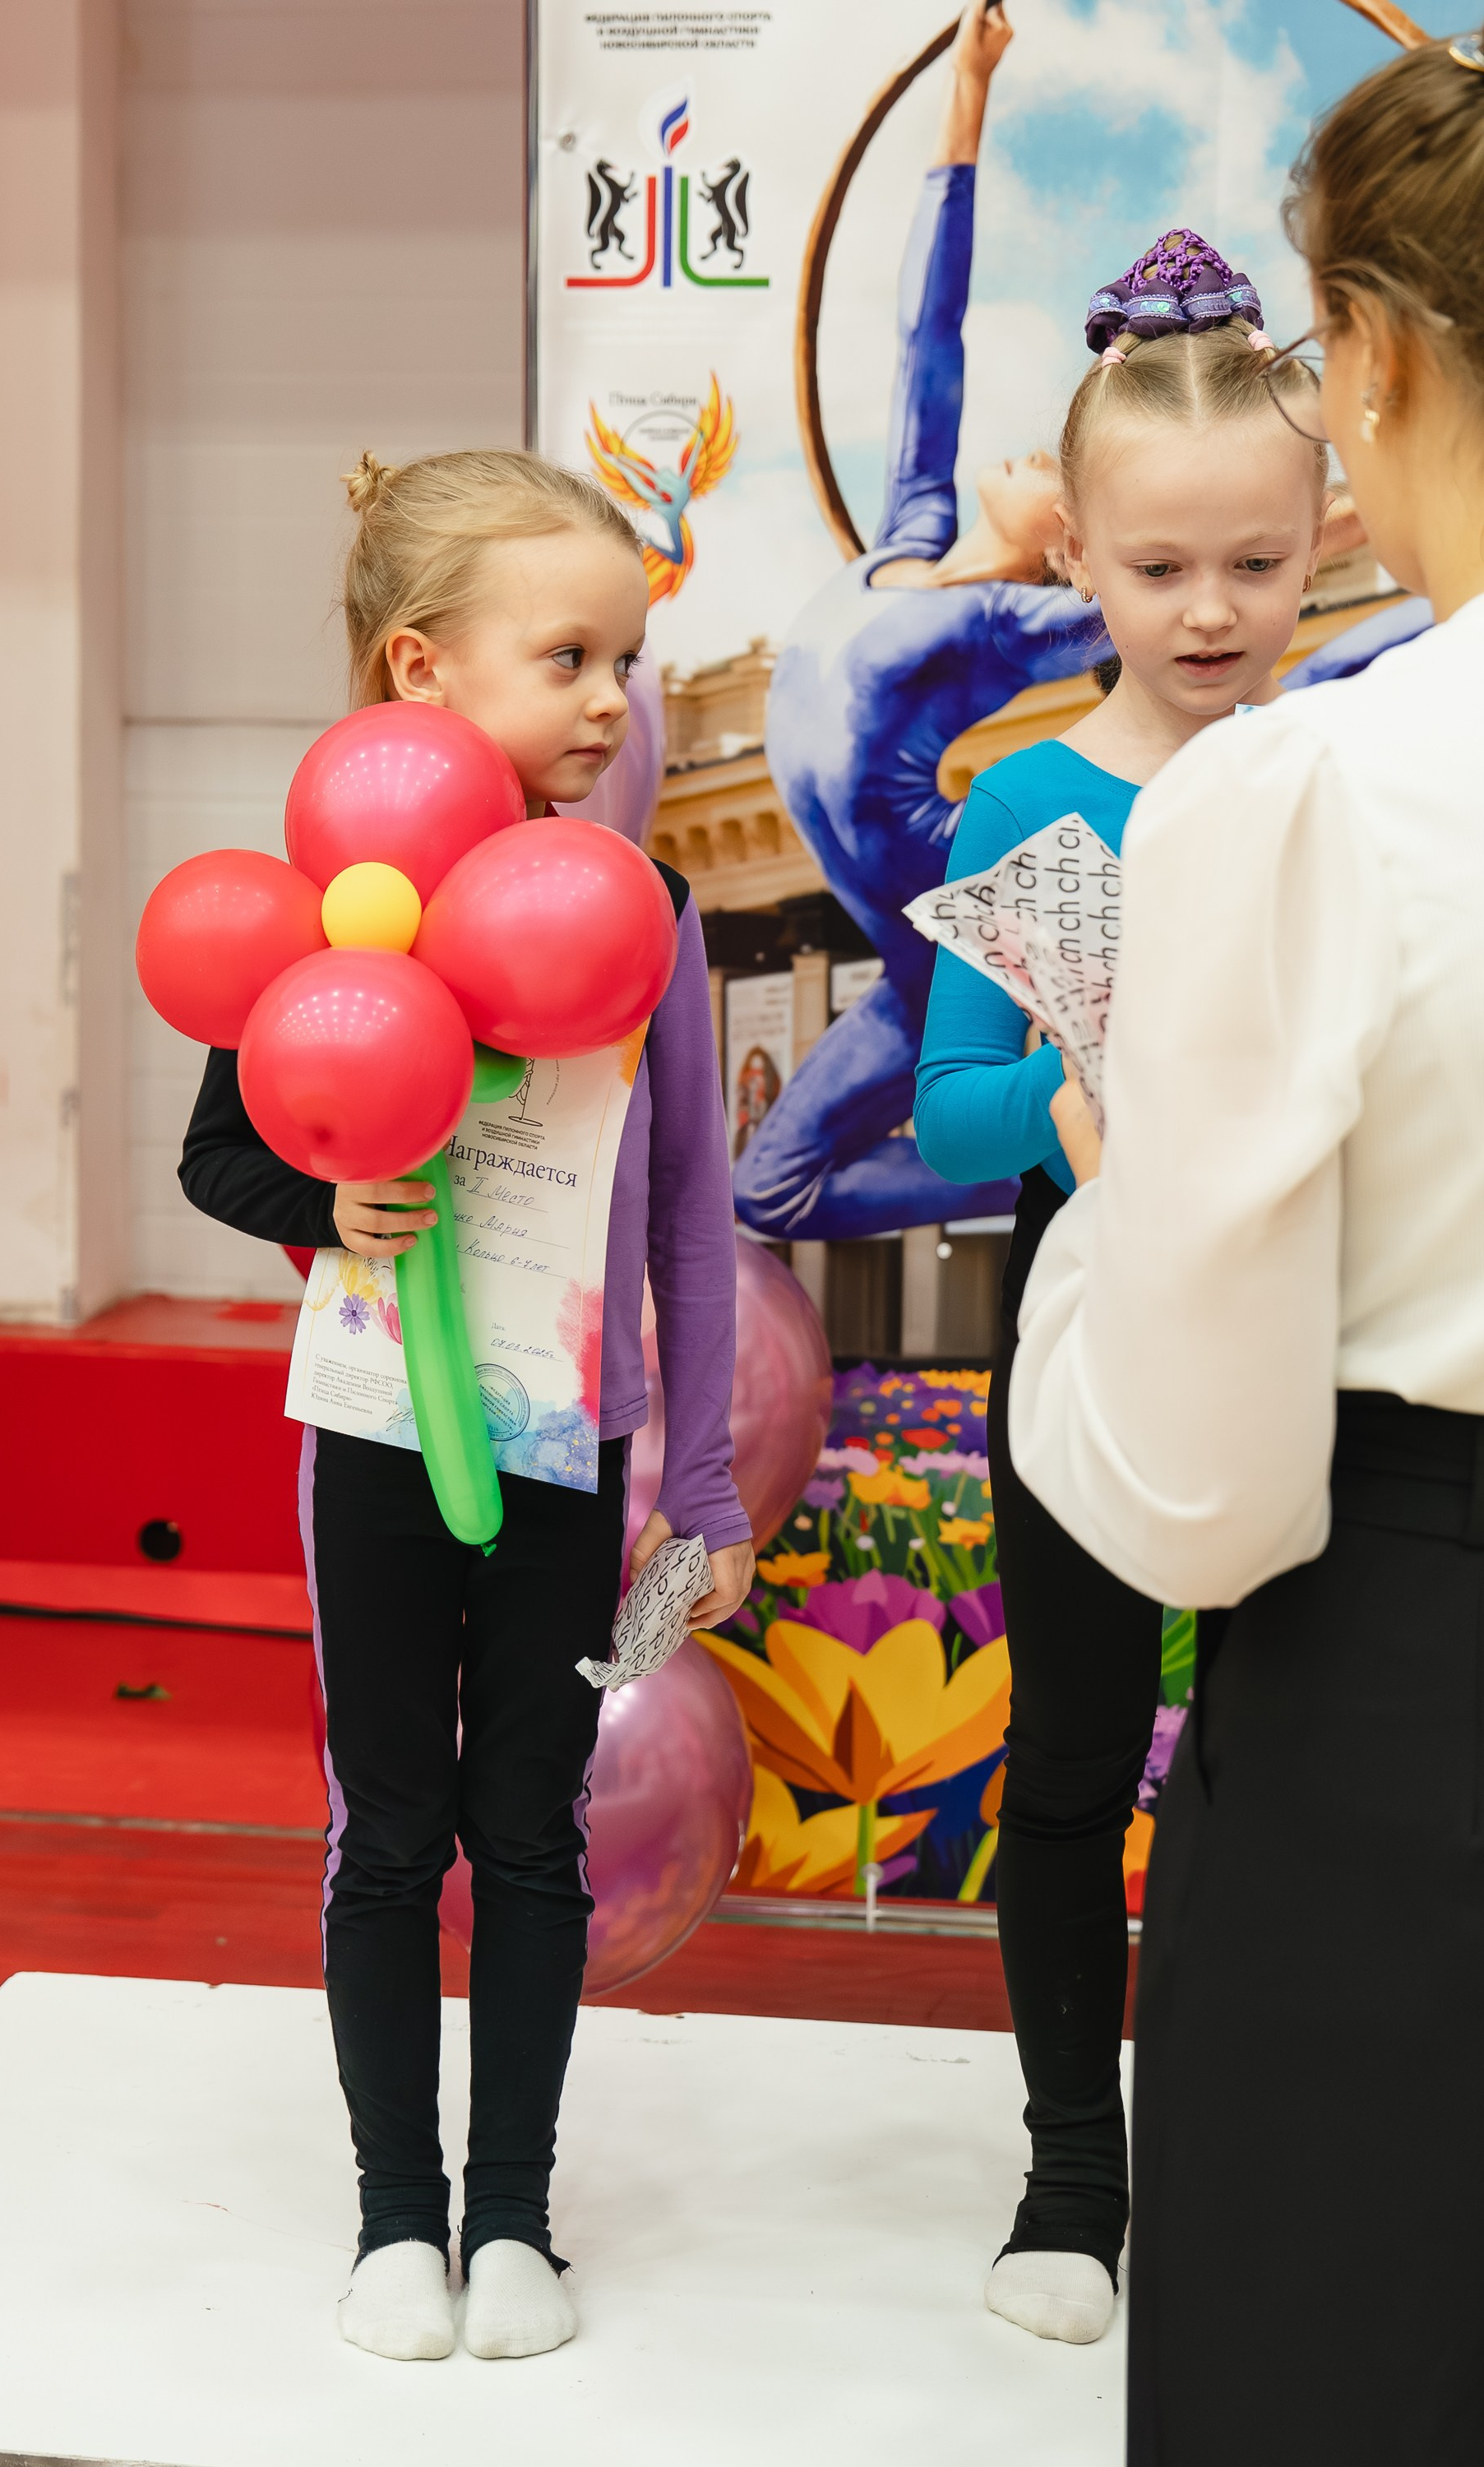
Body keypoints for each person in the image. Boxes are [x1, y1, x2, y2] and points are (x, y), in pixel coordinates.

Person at [1005, 33, 1484, 2460]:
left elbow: (1199, 1495)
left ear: (1367, 362)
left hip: (1402, 1700)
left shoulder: (1316, 791)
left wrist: (1110, 1194)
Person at [178, 449, 754, 2364]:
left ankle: (511, 2214)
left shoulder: (644, 909)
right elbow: (220, 1152)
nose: (610, 700)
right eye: (568, 657)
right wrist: (327, 1195)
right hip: (372, 1435)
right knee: (388, 1827)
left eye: (626, 661)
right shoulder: (328, 914)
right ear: (423, 669)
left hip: (567, 1446)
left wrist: (702, 1481)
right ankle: (392, 2219)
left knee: (530, 1829)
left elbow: (687, 1212)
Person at [912, 230, 1332, 2347]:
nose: (1209, 612)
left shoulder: (1338, 777)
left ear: (1323, 538)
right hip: (1081, 1344)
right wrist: (1069, 1113)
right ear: (1075, 555)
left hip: (1309, 1340)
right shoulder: (1028, 797)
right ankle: (1075, 2174)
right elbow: (946, 1113)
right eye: (1160, 568)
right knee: (1073, 1761)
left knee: (1288, 1767)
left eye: (1255, 564)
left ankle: (1268, 2158)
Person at [736, 0, 1108, 1244]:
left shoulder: (1016, 623)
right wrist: (968, 95)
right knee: (763, 1187)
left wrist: (1336, 522)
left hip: (946, 921)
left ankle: (1095, 1149)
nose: (1033, 450)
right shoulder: (909, 529)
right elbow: (926, 333)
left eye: (1061, 467)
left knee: (776, 1186)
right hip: (906, 956)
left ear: (1074, 545)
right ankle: (1084, 1150)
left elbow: (1176, 588)